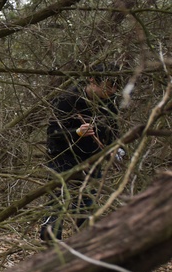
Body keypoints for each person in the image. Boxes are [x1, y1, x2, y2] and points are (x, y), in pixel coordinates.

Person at [39, 67, 120, 243]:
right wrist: (76, 132)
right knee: (58, 200)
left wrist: (116, 147)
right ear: (92, 80)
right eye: (108, 86)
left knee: (86, 204)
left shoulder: (111, 103)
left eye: (115, 87)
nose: (112, 91)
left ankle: (83, 245)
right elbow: (53, 132)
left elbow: (113, 131)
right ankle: (50, 242)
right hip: (63, 157)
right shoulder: (67, 99)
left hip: (92, 159)